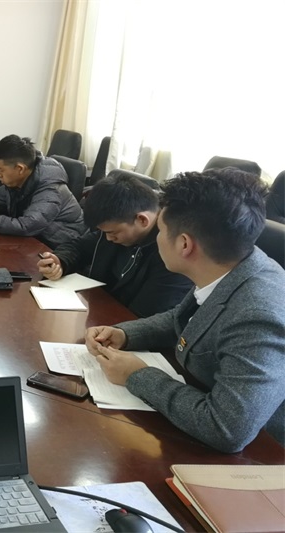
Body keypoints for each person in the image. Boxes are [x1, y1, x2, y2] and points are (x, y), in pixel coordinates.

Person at [84, 169, 285, 453]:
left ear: (184, 244)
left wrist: (136, 375)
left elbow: (226, 429)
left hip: (263, 454)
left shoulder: (258, 315)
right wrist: (124, 333)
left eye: (161, 229)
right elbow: (184, 318)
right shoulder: (232, 264)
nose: (157, 238)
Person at [37, 173, 192, 317]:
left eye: (112, 232)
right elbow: (79, 246)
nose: (108, 238)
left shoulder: (171, 255)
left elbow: (146, 316)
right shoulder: (115, 227)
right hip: (99, 311)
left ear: (142, 220)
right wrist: (60, 261)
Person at [0, 135, 86, 247]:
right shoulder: (19, 179)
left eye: (1, 169)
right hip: (34, 240)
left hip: (60, 247)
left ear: (20, 168)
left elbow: (26, 225)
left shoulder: (50, 190)